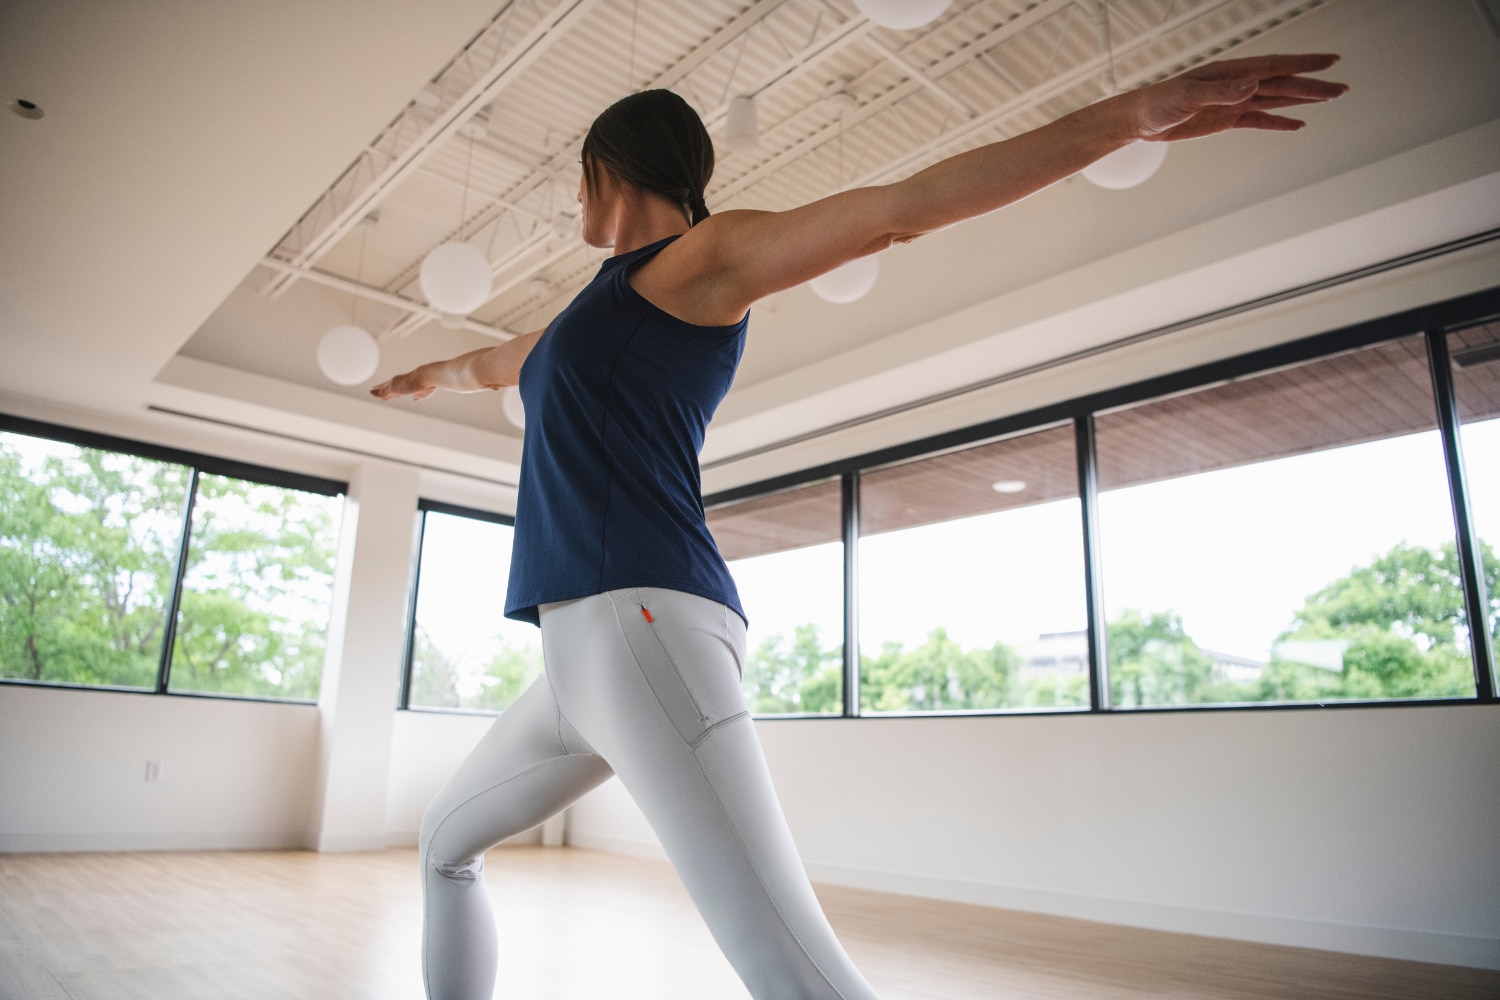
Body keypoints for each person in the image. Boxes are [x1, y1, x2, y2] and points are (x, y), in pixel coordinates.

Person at [372, 54, 1345, 1000]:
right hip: (576, 657)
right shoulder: (591, 311)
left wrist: (1130, 115)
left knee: (790, 970)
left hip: (645, 629)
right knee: (446, 846)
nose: (568, 206)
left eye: (572, 185)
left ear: (601, 169)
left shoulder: (700, 262)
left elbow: (897, 210)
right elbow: (504, 361)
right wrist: (429, 375)